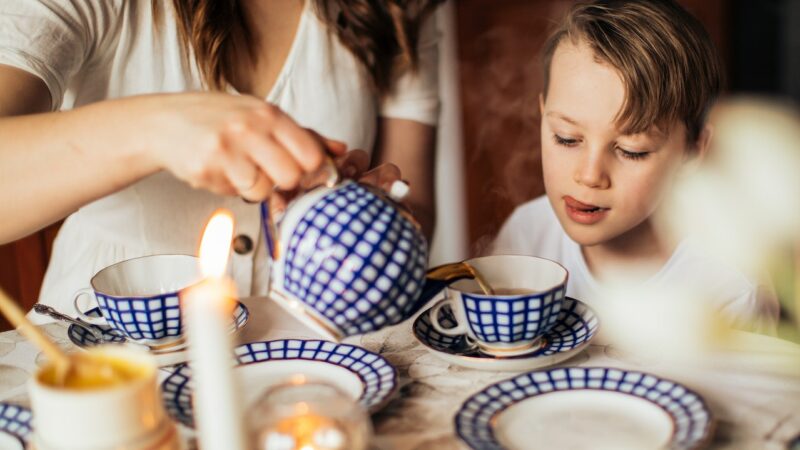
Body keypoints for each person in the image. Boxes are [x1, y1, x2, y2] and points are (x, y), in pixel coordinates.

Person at [0, 0, 442, 319]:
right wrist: (158, 128)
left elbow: (412, 201)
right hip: (104, 355)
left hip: (304, 353)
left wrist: (365, 219)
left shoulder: (396, 9)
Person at [491, 0, 779, 332]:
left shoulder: (728, 284)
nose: (589, 175)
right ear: (543, 117)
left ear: (693, 150)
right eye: (567, 138)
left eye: (631, 151)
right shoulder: (527, 237)